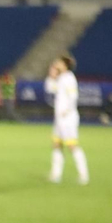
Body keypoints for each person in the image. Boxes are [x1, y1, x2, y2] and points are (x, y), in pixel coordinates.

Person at [46, 55, 89, 185]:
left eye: (59, 62)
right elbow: (50, 89)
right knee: (57, 144)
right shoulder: (61, 78)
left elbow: (73, 96)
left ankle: (84, 175)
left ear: (64, 65)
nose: (56, 63)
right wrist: (51, 76)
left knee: (72, 145)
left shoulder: (69, 78)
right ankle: (56, 174)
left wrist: (67, 110)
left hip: (68, 118)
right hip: (59, 118)